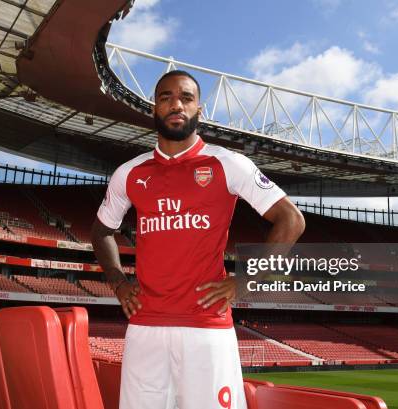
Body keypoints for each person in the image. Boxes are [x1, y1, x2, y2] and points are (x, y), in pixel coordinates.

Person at [91, 70, 305, 409]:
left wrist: (246, 280)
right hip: (145, 326)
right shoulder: (130, 172)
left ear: (199, 110)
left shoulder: (228, 164)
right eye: (166, 97)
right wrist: (118, 283)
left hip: (206, 327)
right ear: (154, 109)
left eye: (186, 98)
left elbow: (291, 220)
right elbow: (101, 231)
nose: (177, 104)